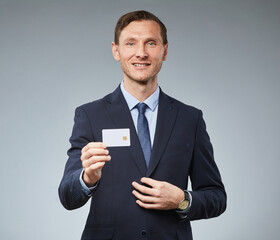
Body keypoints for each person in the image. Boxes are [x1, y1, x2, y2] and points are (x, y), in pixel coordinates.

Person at [59, 10, 226, 240]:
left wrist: (181, 199)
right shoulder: (90, 115)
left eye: (151, 43)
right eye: (130, 43)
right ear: (116, 51)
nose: (141, 53)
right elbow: (67, 197)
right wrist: (87, 178)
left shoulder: (190, 119)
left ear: (165, 51)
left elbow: (216, 197)